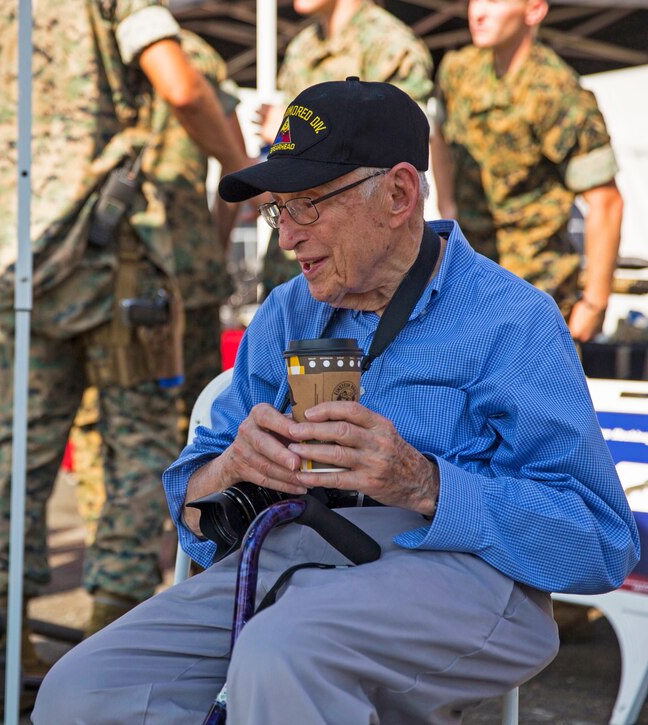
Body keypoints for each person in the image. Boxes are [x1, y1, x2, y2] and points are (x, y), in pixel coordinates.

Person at [33, 78, 640, 723]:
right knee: (84, 689)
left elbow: (600, 541)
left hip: (458, 569)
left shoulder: (510, 318)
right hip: (291, 559)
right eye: (277, 210)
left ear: (400, 194)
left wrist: (423, 482)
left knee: (283, 655)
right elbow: (193, 494)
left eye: (308, 206)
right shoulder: (287, 310)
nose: (286, 237)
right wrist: (233, 465)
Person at [0, 0, 251, 643]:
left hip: (21, 258)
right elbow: (177, 84)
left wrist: (18, 212)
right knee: (138, 444)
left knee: (18, 447)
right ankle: (112, 621)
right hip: (110, 252)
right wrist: (239, 168)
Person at [66, 28, 247, 610]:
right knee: (198, 428)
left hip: (120, 268)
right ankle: (182, 568)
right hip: (182, 269)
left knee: (117, 426)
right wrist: (211, 253)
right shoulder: (198, 55)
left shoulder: (93, 58)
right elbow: (234, 173)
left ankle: (120, 569)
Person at [431, 0, 623, 344]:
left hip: (534, 291)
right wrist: (448, 209)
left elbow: (606, 201)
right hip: (467, 285)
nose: (477, 13)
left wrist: (594, 302)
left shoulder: (556, 91)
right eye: (475, 0)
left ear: (534, 10)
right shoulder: (457, 70)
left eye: (494, 1)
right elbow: (439, 137)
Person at [258, 0, 433, 293]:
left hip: (364, 277)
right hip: (295, 271)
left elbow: (399, 143)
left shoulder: (390, 44)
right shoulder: (302, 46)